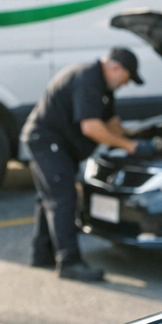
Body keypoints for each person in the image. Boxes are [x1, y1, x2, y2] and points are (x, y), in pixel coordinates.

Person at [23, 47, 143, 282]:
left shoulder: (101, 84)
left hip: (50, 142)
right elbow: (91, 127)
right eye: (127, 79)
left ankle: (42, 253)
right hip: (48, 142)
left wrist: (132, 137)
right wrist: (130, 147)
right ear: (115, 68)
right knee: (63, 199)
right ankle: (69, 263)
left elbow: (110, 121)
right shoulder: (88, 80)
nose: (126, 84)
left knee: (48, 198)